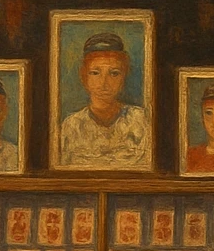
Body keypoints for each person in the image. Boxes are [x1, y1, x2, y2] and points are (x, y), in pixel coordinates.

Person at [59, 31, 151, 169]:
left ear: (124, 76)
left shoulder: (141, 120)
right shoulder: (71, 126)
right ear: (84, 76)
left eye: (114, 73)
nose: (104, 83)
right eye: (95, 73)